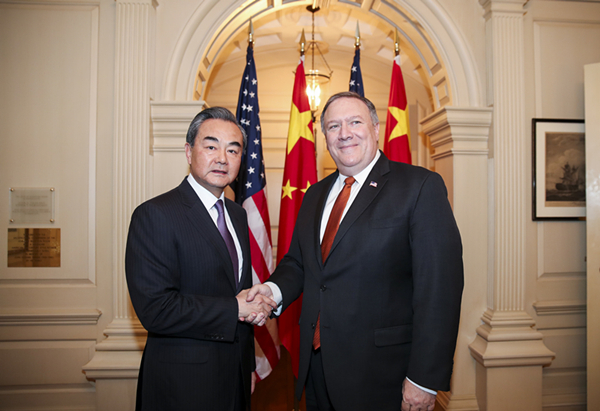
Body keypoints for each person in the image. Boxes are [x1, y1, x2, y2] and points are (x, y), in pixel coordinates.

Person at [247, 92, 464, 411]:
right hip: (316, 368)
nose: (344, 133)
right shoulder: (315, 194)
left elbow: (440, 291)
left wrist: (423, 379)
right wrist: (272, 291)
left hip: (383, 375)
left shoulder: (419, 187)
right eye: (333, 126)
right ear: (325, 138)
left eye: (355, 122)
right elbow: (299, 263)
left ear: (376, 128)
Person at [125, 107, 277, 411]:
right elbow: (156, 309)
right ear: (188, 151)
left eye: (233, 150)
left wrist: (247, 365)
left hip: (235, 378)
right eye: (211, 147)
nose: (222, 158)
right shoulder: (155, 215)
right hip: (182, 386)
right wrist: (235, 308)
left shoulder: (237, 215)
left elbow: (239, 292)